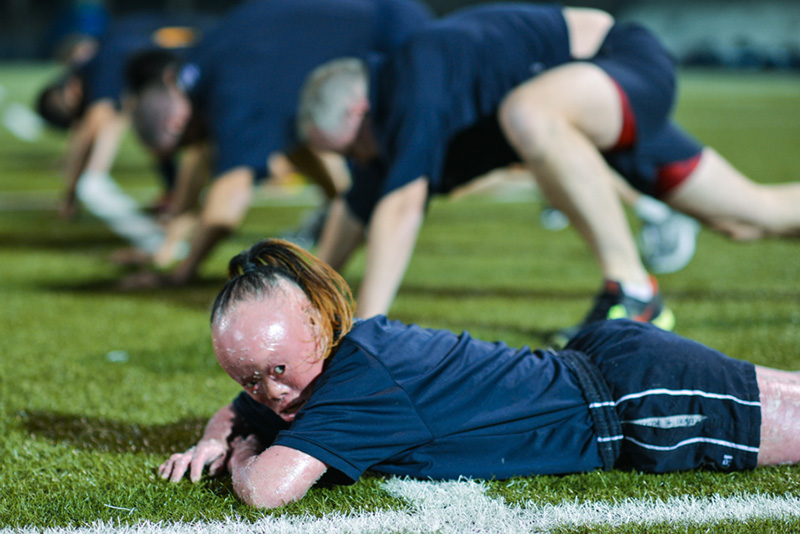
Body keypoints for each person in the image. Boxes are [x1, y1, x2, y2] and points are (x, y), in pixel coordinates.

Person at [158, 238, 800, 509]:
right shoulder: (340, 359)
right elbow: (243, 409)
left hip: (633, 404)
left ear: (322, 327)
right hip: (613, 364)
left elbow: (269, 490)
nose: (272, 393)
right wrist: (220, 432)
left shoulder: (359, 387)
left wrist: (240, 451)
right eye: (250, 378)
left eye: (279, 370)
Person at [297, 3, 800, 345]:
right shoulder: (385, 126)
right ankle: (634, 285)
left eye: (347, 150)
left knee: (529, 112)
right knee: (752, 216)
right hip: (585, 107)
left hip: (619, 64)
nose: (354, 162)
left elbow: (401, 206)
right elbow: (357, 204)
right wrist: (307, 296)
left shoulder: (411, 79)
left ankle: (633, 291)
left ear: (359, 110)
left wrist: (362, 332)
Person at [120, 0, 433, 288]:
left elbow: (227, 203)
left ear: (177, 124)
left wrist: (181, 273)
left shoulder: (233, 93)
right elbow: (213, 156)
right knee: (306, 143)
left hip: (395, 34)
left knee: (395, 172)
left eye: (184, 143)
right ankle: (340, 215)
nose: (192, 147)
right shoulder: (201, 69)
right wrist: (168, 244)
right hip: (378, 16)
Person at [36, 12, 215, 256]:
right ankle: (175, 199)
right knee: (158, 131)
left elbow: (94, 122)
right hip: (199, 51)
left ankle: (182, 211)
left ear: (71, 88)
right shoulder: (105, 54)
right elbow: (99, 124)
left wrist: (71, 191)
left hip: (206, 56)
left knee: (185, 141)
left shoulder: (104, 62)